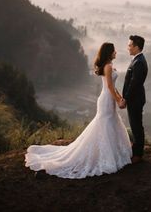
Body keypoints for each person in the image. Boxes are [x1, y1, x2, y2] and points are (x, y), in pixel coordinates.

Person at [24, 42, 132, 178]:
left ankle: (109, 153)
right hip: (106, 99)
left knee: (108, 123)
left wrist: (120, 97)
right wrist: (118, 100)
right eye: (114, 50)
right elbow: (110, 87)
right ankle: (105, 155)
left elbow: (112, 86)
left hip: (107, 98)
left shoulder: (108, 66)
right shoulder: (109, 66)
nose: (116, 52)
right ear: (109, 52)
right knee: (105, 124)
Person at [123, 34, 148, 163]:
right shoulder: (137, 60)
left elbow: (134, 84)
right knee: (135, 125)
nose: (128, 48)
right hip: (135, 98)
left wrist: (125, 99)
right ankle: (137, 149)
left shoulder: (138, 62)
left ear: (136, 47)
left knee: (136, 126)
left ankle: (138, 154)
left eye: (130, 45)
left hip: (135, 99)